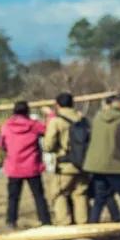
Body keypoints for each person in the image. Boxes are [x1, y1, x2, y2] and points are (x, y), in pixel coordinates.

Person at [84, 92, 120, 222]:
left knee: (99, 199)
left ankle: (92, 224)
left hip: (96, 165)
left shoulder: (98, 118)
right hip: (118, 165)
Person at [0, 101, 52, 229]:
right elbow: (48, 131)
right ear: (27, 112)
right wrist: (50, 115)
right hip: (32, 166)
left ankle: (11, 221)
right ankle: (45, 221)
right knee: (39, 196)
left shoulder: (6, 126)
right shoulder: (33, 125)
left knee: (13, 197)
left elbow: (1, 144)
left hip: (14, 167)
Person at [42, 92, 90, 225]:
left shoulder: (56, 121)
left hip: (65, 165)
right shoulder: (82, 119)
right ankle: (83, 224)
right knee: (80, 194)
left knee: (58, 194)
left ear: (57, 105)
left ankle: (64, 223)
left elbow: (48, 145)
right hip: (82, 163)